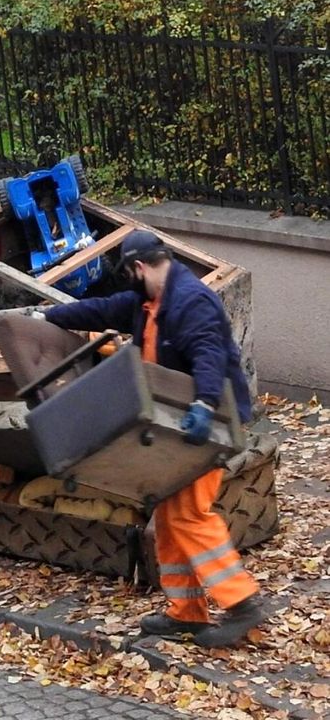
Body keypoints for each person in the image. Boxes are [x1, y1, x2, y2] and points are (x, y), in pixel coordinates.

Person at [42, 230, 264, 648]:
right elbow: (102, 309)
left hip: (210, 420)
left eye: (129, 275)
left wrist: (203, 404)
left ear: (138, 268)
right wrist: (49, 318)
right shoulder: (149, 303)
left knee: (190, 514)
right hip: (174, 418)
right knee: (167, 516)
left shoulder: (190, 301)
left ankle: (242, 603)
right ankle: (187, 615)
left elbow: (209, 356)